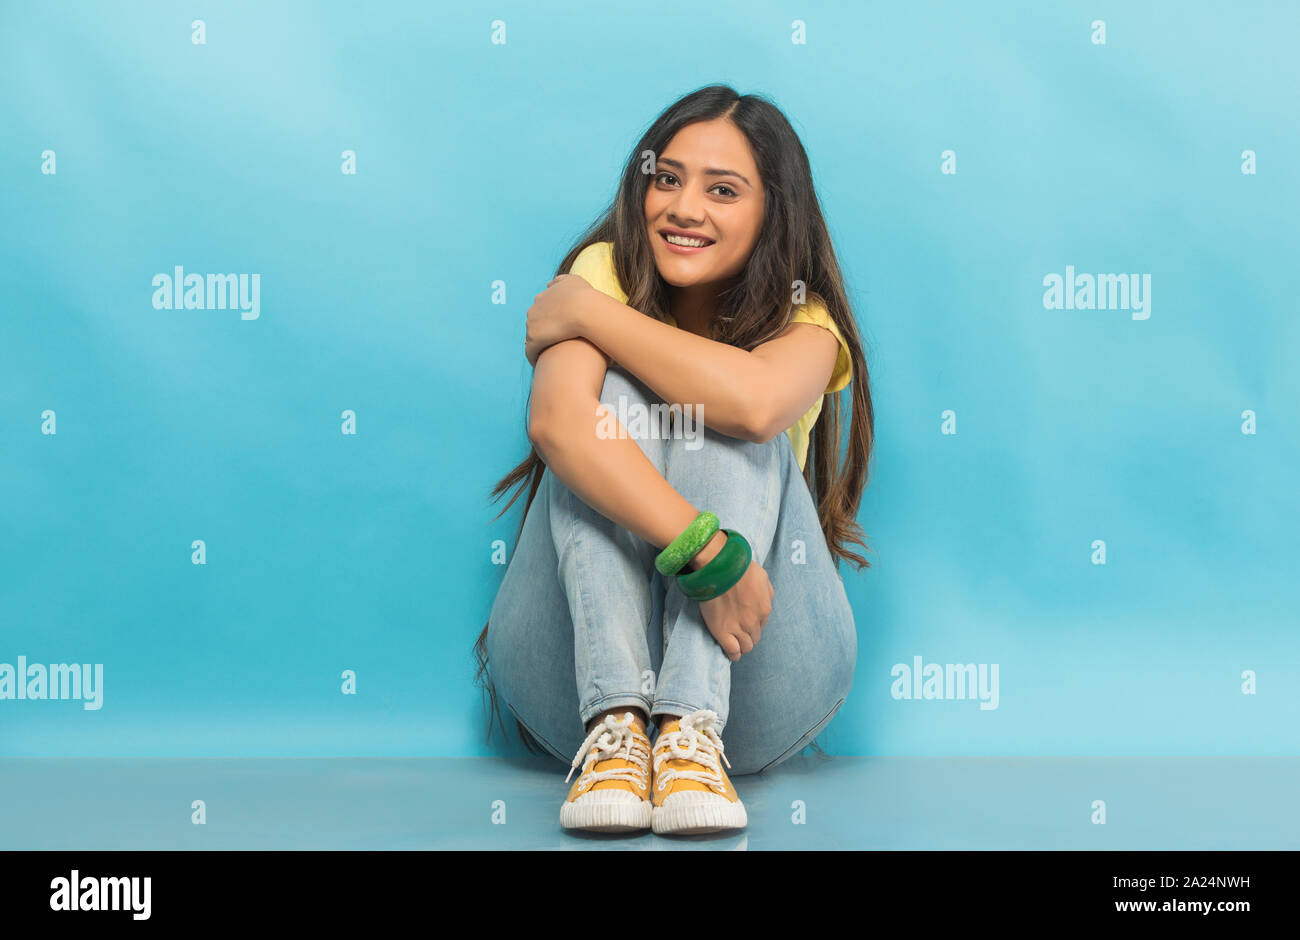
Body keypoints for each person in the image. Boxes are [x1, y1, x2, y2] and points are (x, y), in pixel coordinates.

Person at [474, 84, 875, 835]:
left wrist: (589, 313)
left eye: (723, 190)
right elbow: (559, 423)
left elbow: (754, 406)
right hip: (572, 683)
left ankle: (690, 729)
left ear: (772, 212)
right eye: (667, 178)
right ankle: (620, 725)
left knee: (719, 410)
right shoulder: (607, 267)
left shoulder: (805, 320)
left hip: (759, 679)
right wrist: (706, 552)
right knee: (610, 401)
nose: (683, 208)